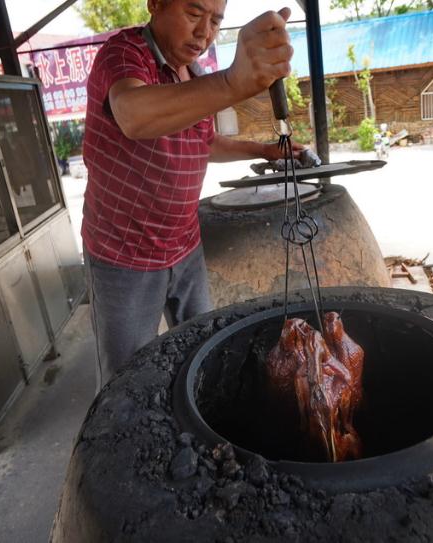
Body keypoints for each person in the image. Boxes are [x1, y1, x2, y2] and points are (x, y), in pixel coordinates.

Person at [82, 0, 303, 392]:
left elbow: (204, 142)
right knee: (125, 379)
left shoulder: (194, 75)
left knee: (205, 347)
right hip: (124, 256)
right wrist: (232, 83)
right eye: (194, 14)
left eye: (216, 21)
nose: (205, 32)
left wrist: (265, 150)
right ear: (155, 4)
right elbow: (133, 115)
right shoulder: (124, 55)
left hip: (185, 246)